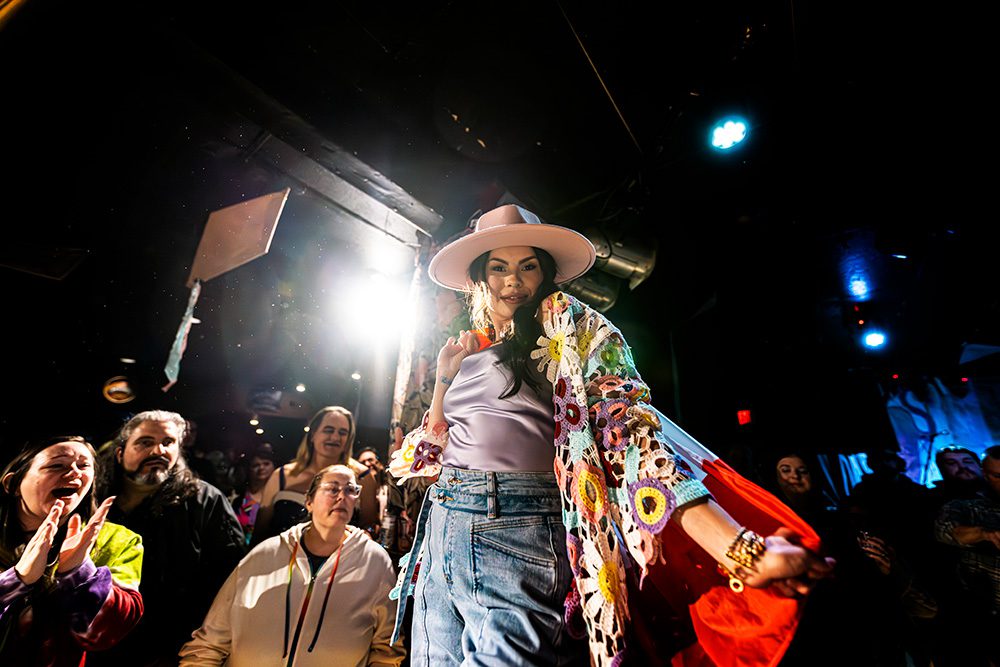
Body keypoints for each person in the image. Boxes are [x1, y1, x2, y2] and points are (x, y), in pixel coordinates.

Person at [387, 204, 834, 666]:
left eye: (528, 266)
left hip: (517, 526)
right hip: (442, 522)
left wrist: (741, 549)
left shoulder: (570, 327)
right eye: (498, 268)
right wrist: (444, 379)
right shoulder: (474, 345)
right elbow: (429, 454)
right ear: (480, 277)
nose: (513, 282)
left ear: (547, 272)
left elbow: (632, 438)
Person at [179, 464, 404, 666]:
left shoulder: (374, 562)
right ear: (309, 501)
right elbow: (209, 643)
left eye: (350, 490)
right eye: (333, 488)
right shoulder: (265, 555)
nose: (342, 496)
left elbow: (387, 649)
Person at [92, 410, 246, 667]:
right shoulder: (94, 498)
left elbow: (229, 576)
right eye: (145, 442)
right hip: (101, 643)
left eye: (168, 442)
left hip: (173, 647)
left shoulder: (205, 500)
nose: (158, 451)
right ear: (120, 453)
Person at [0, 435, 143, 667]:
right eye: (57, 465)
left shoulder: (117, 540)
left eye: (84, 465)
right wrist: (16, 580)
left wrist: (79, 573)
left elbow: (104, 634)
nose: (75, 473)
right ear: (12, 483)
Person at [253, 406, 380, 544]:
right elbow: (260, 532)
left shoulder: (363, 477)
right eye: (328, 430)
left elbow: (370, 526)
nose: (335, 437)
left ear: (349, 439)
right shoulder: (282, 475)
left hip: (340, 562)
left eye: (343, 432)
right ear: (313, 434)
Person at [933, 445, 1000, 666]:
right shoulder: (958, 506)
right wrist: (985, 533)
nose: (962, 469)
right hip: (988, 609)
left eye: (967, 462)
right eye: (952, 464)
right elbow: (946, 530)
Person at [233, 444, 277, 545]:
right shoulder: (237, 497)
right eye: (255, 465)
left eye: (266, 464)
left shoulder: (280, 496)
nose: (261, 468)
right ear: (248, 469)